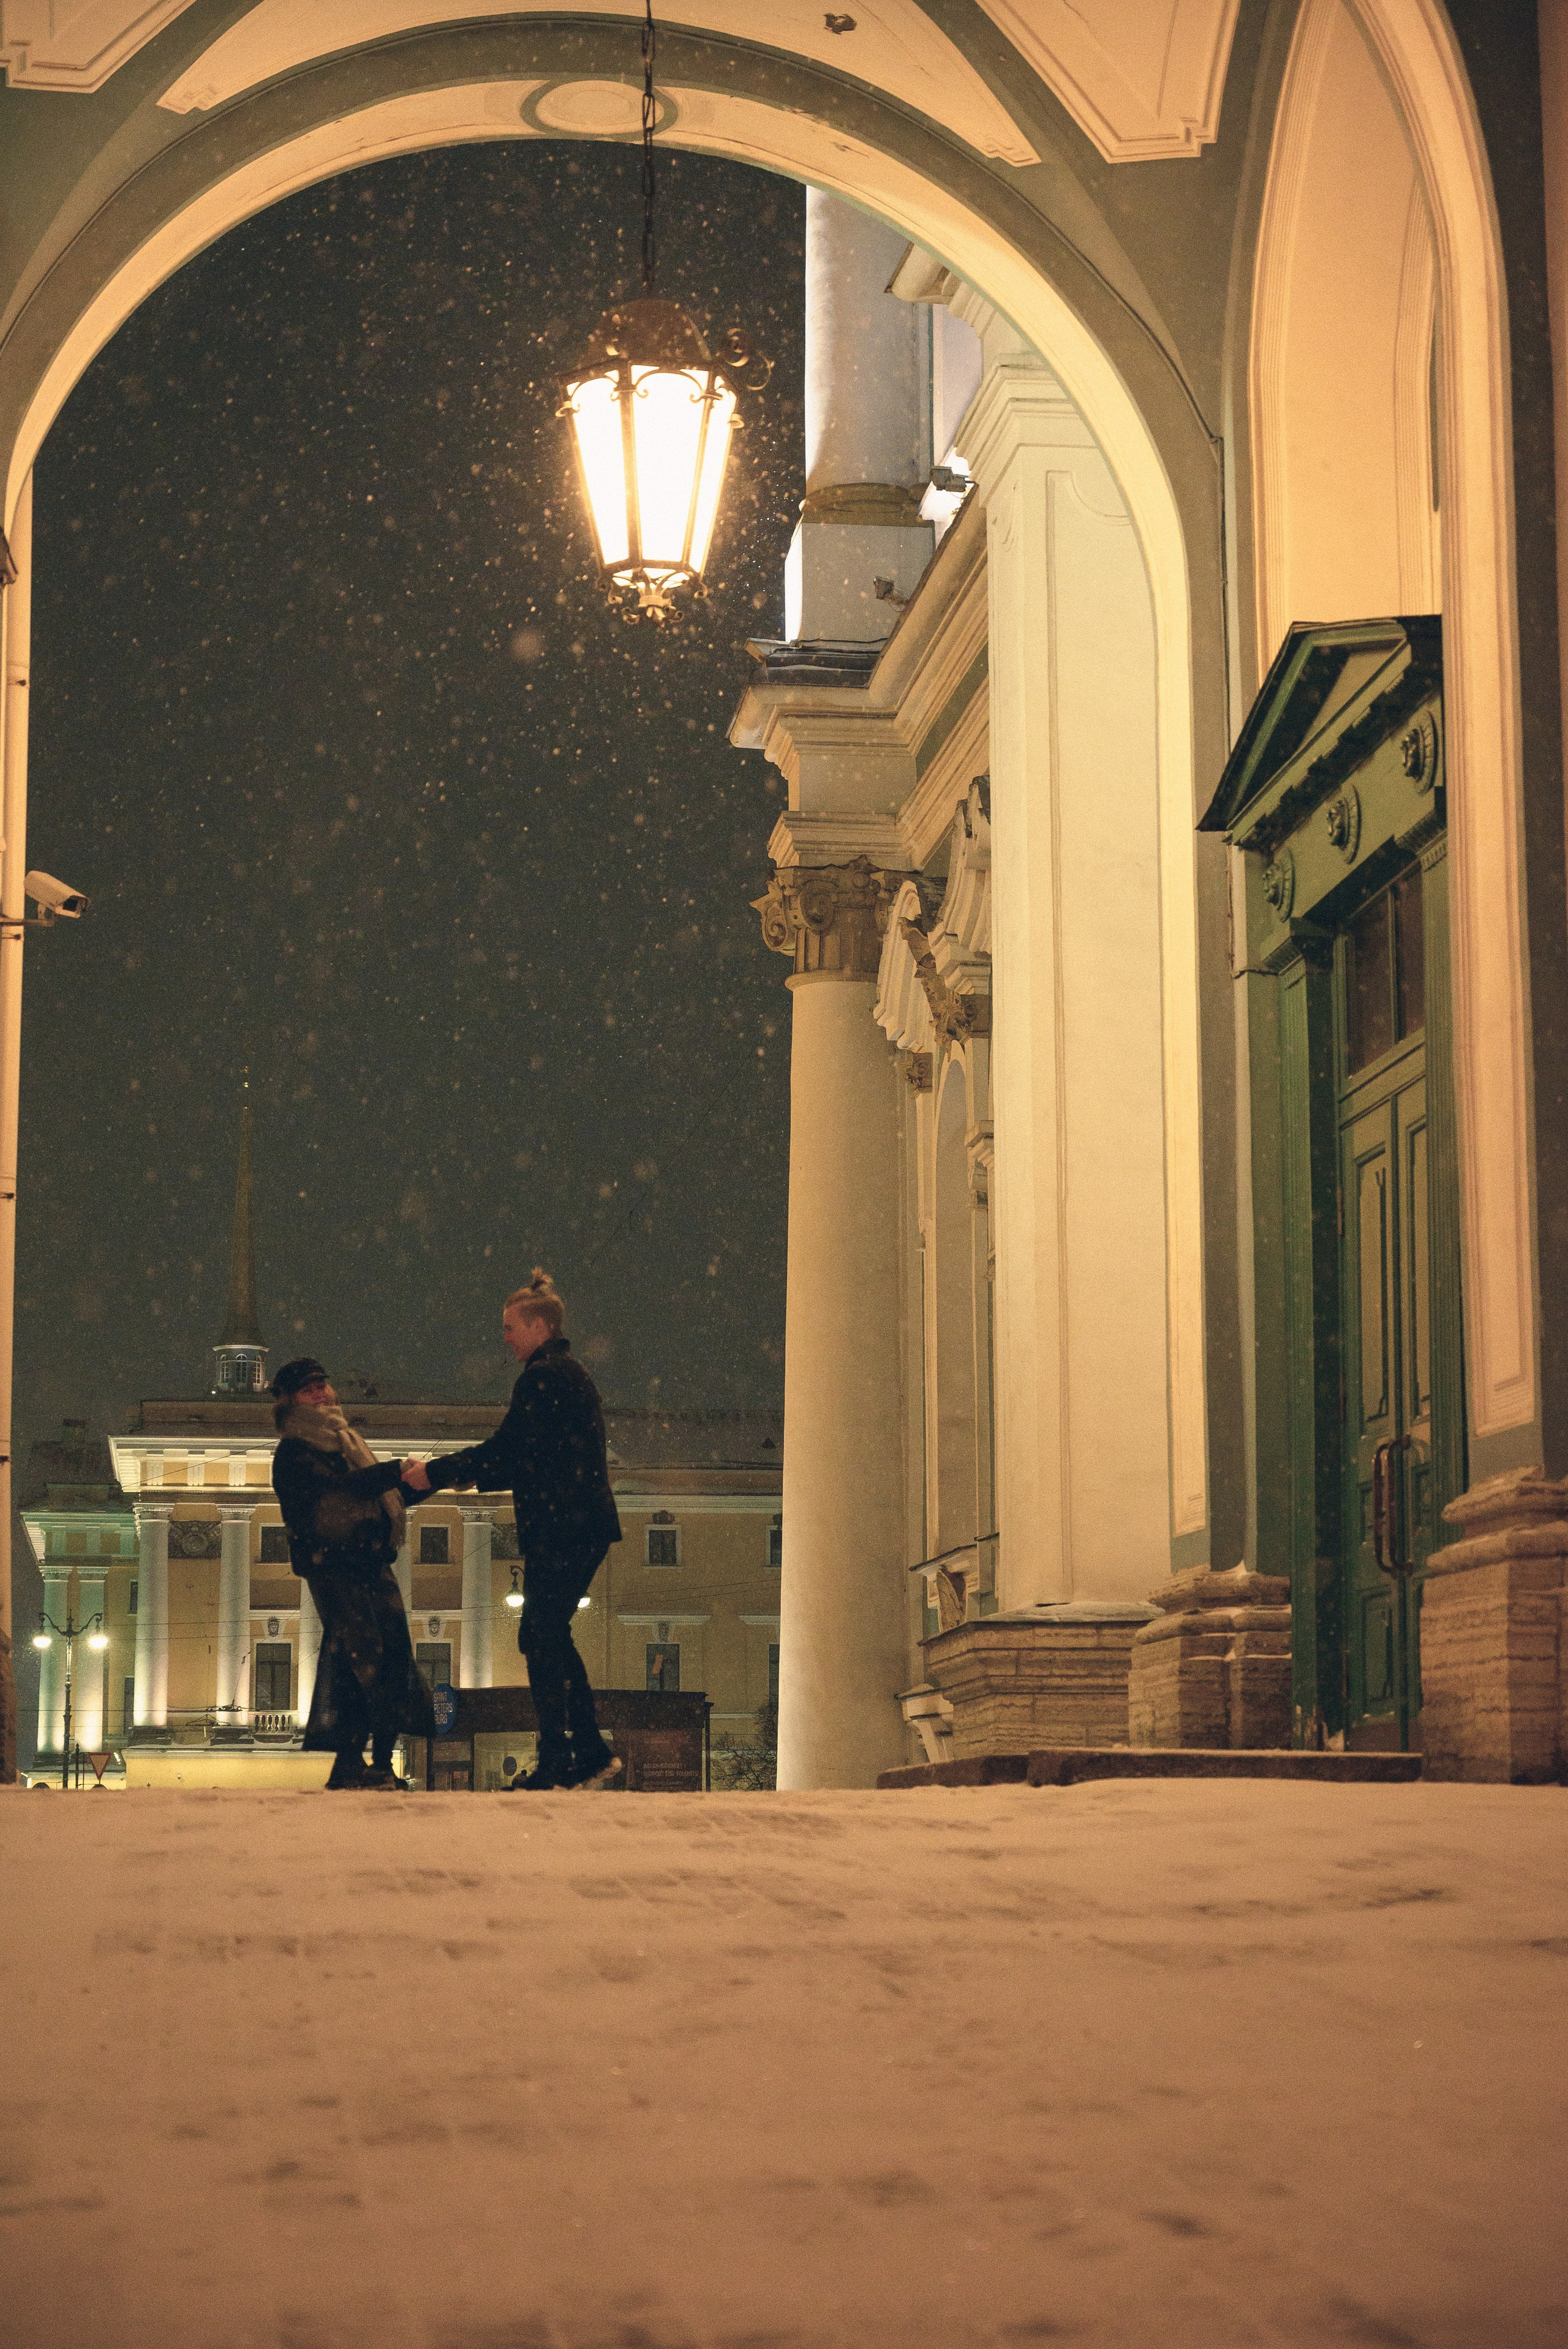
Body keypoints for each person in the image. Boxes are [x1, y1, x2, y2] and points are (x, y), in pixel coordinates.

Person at [403, 1270, 622, 1789]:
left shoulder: (545, 1377)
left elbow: (507, 1450)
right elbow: (525, 1456)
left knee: (542, 1633)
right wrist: (466, 1479)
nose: (504, 1337)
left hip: (563, 1525)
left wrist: (435, 1473)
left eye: (510, 1326)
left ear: (539, 1325)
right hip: (576, 1522)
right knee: (546, 1633)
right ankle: (583, 1751)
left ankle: (563, 1760)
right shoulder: (566, 1373)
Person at [271, 1357, 434, 1790]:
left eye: (323, 1384)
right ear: (290, 1401)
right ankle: (353, 1762)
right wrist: (394, 1470)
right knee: (365, 1658)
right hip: (334, 1566)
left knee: (393, 1656)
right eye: (309, 1389)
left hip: (371, 1562)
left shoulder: (347, 1442)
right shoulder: (294, 1452)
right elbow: (337, 1499)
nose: (321, 1392)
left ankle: (376, 1762)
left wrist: (427, 1480)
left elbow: (379, 1499)